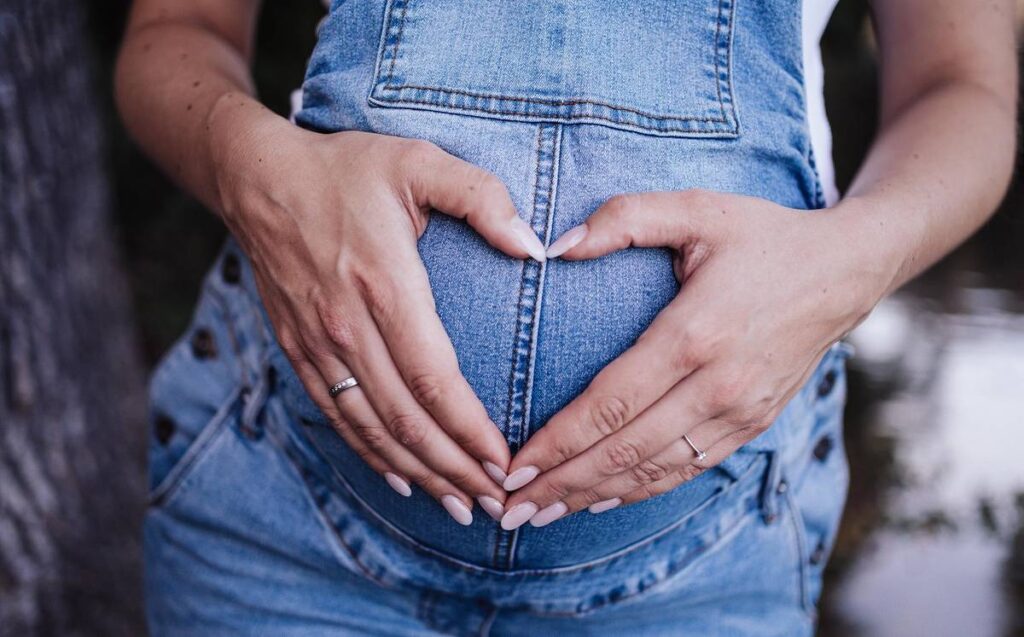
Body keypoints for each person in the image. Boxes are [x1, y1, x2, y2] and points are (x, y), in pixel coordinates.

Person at [115, 0, 1016, 634]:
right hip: (284, 521)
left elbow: (963, 87)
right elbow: (174, 35)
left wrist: (848, 264)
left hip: (705, 565)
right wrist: (253, 170)